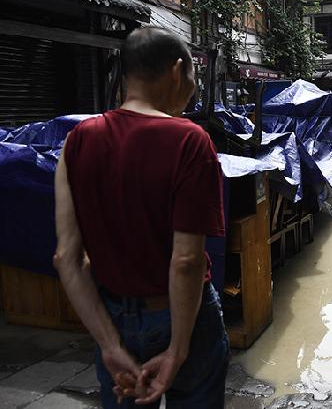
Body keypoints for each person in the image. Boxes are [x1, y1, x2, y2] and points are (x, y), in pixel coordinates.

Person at [54, 27, 229, 407]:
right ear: (176, 71)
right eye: (193, 79)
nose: (193, 90)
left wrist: (109, 345)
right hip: (182, 317)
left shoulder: (77, 140)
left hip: (112, 314)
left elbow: (67, 258)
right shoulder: (189, 140)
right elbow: (185, 261)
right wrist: (177, 351)